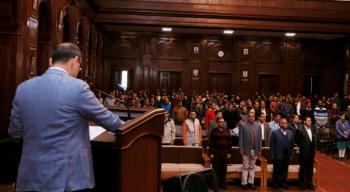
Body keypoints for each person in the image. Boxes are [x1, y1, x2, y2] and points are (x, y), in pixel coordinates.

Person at [8, 43, 125, 192]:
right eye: (79, 66)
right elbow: (111, 122)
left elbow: (15, 133)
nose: (78, 70)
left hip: (30, 176)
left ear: (51, 61)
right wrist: (135, 126)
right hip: (66, 179)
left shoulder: (23, 88)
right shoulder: (78, 87)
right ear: (74, 60)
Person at [270, 118, 295, 189]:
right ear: (280, 124)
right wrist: (273, 155)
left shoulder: (290, 132)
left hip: (287, 155)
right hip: (278, 154)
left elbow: (292, 144)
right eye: (284, 123)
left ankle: (283, 183)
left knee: (285, 170)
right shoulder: (275, 132)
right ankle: (276, 183)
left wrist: (291, 154)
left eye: (287, 123)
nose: (286, 124)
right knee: (277, 169)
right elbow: (272, 145)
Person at [239, 112, 262, 189]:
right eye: (250, 116)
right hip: (246, 149)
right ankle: (244, 183)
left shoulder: (258, 126)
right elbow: (241, 138)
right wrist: (241, 149)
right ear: (247, 117)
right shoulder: (243, 125)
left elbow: (260, 139)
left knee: (252, 167)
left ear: (254, 117)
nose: (251, 118)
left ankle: (251, 182)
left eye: (253, 116)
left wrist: (259, 149)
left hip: (255, 150)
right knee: (245, 166)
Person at [209, 117, 232, 189]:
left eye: (223, 122)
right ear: (217, 123)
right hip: (216, 152)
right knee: (216, 169)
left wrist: (229, 152)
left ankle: (222, 184)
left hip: (224, 152)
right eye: (221, 122)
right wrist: (211, 153)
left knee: (224, 169)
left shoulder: (227, 131)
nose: (222, 123)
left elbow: (229, 143)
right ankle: (215, 184)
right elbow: (211, 143)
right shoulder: (214, 131)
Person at [295, 116, 316, 190]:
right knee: (303, 169)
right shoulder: (300, 130)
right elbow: (297, 141)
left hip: (311, 153)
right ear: (304, 122)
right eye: (308, 120)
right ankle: (301, 184)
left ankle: (309, 183)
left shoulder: (312, 129)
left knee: (310, 169)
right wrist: (303, 147)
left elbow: (313, 141)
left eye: (310, 120)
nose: (310, 122)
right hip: (303, 153)